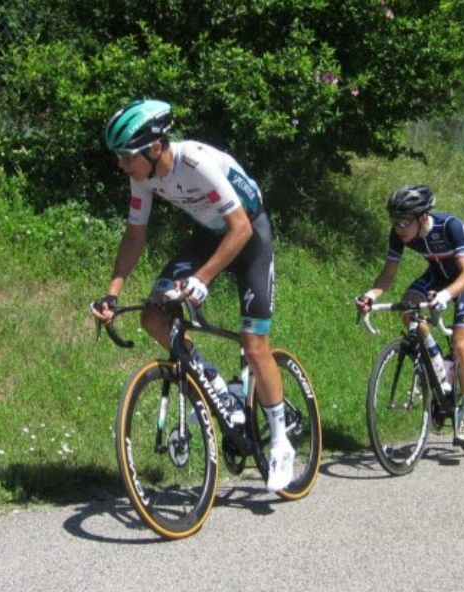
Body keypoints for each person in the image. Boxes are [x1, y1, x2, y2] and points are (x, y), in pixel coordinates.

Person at [90, 99, 294, 492]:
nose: (121, 164)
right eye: (118, 156)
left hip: (250, 235)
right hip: (208, 236)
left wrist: (201, 279)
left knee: (255, 345)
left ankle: (281, 442)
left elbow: (240, 229)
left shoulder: (196, 161)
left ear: (154, 148)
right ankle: (216, 386)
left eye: (125, 155)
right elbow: (135, 234)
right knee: (153, 315)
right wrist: (111, 293)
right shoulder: (142, 174)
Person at [355, 185, 464, 443]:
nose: (399, 227)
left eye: (404, 221)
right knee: (407, 308)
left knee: (461, 342)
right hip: (437, 275)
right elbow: (388, 274)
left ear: (423, 217)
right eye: (394, 221)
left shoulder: (450, 226)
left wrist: (446, 296)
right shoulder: (399, 234)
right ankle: (438, 367)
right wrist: (370, 296)